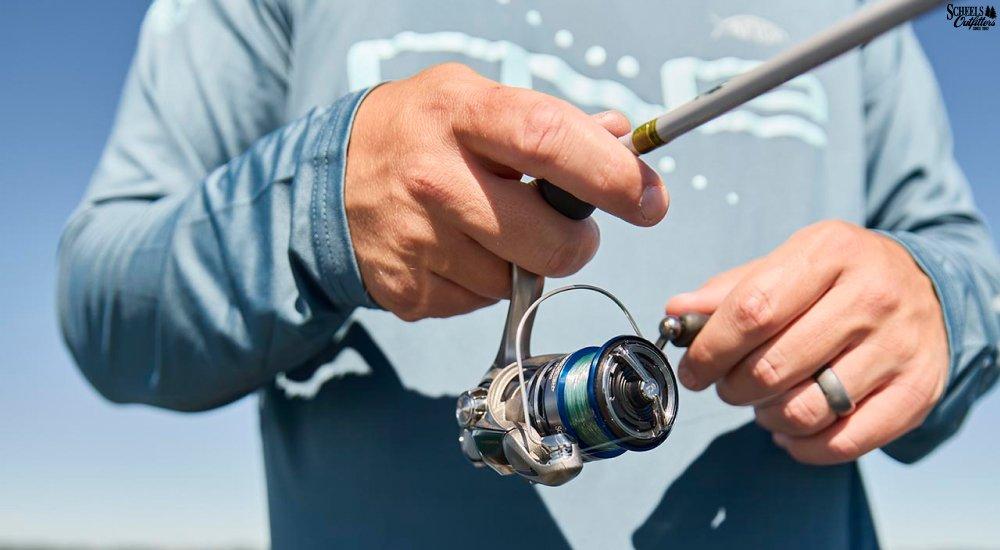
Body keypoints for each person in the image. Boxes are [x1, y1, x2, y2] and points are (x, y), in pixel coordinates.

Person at [58, 1, 1000, 548]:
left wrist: (936, 300)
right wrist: (318, 202)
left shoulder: (865, 19)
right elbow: (100, 306)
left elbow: (972, 270)